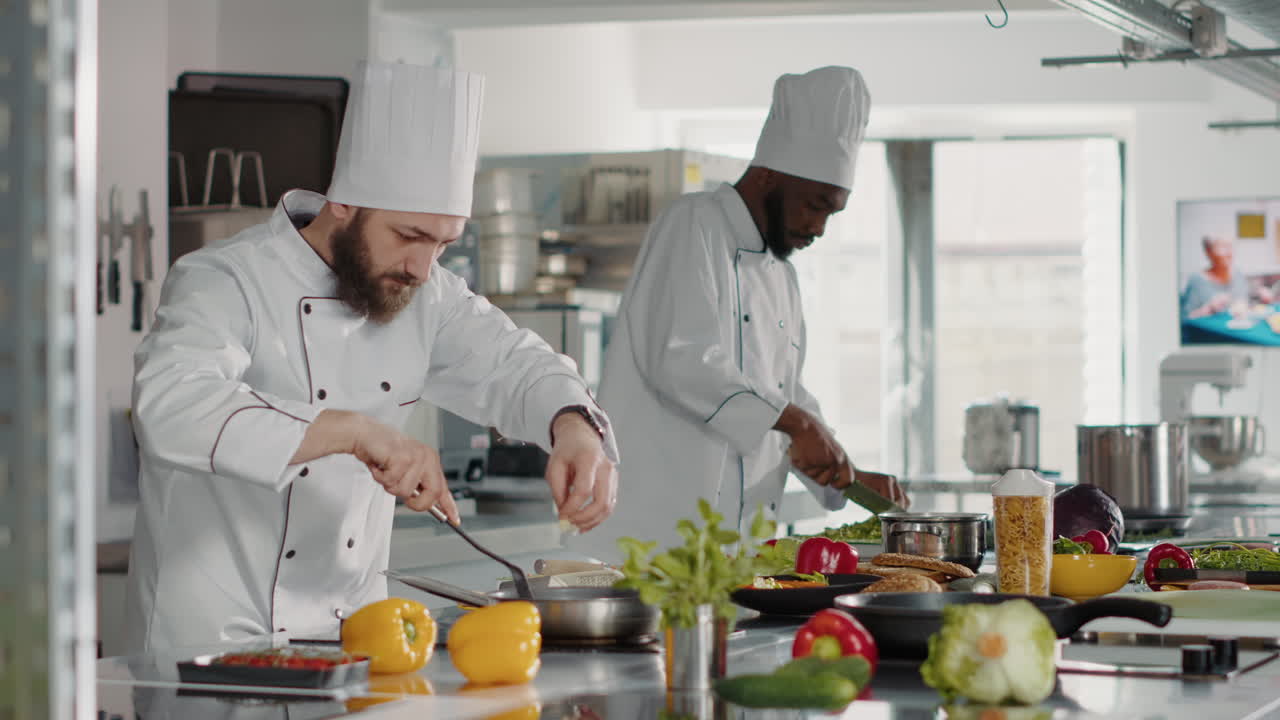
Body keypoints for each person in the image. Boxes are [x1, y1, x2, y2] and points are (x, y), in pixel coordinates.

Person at [125, 61, 618, 652]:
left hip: (356, 643)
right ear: (344, 205)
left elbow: (519, 365)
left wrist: (575, 428)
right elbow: (170, 407)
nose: (423, 266)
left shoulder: (425, 293)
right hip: (210, 648)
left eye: (443, 243)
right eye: (409, 236)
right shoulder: (223, 279)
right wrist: (354, 432)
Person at [565, 66, 907, 564]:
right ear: (769, 175)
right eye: (815, 205)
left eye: (832, 213)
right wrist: (797, 423)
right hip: (651, 546)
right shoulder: (693, 225)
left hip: (738, 553)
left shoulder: (782, 273)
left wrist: (845, 472)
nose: (819, 228)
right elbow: (683, 360)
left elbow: (786, 396)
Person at [1181, 234, 1274, 319]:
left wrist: (1262, 299)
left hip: (1239, 333)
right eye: (1222, 247)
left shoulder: (1238, 274)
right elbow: (1185, 320)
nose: (1229, 252)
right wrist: (1209, 308)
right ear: (1208, 252)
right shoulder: (1197, 281)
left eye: (1230, 246)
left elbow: (1246, 305)